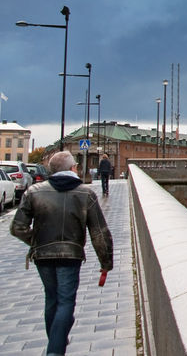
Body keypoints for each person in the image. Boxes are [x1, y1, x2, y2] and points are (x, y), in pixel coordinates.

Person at [10, 151, 113, 356]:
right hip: (71, 256)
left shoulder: (34, 192)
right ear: (72, 169)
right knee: (65, 302)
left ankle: (56, 340)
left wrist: (38, 241)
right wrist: (106, 262)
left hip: (43, 256)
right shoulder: (85, 194)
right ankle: (55, 351)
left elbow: (17, 228)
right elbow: (99, 233)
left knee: (52, 299)